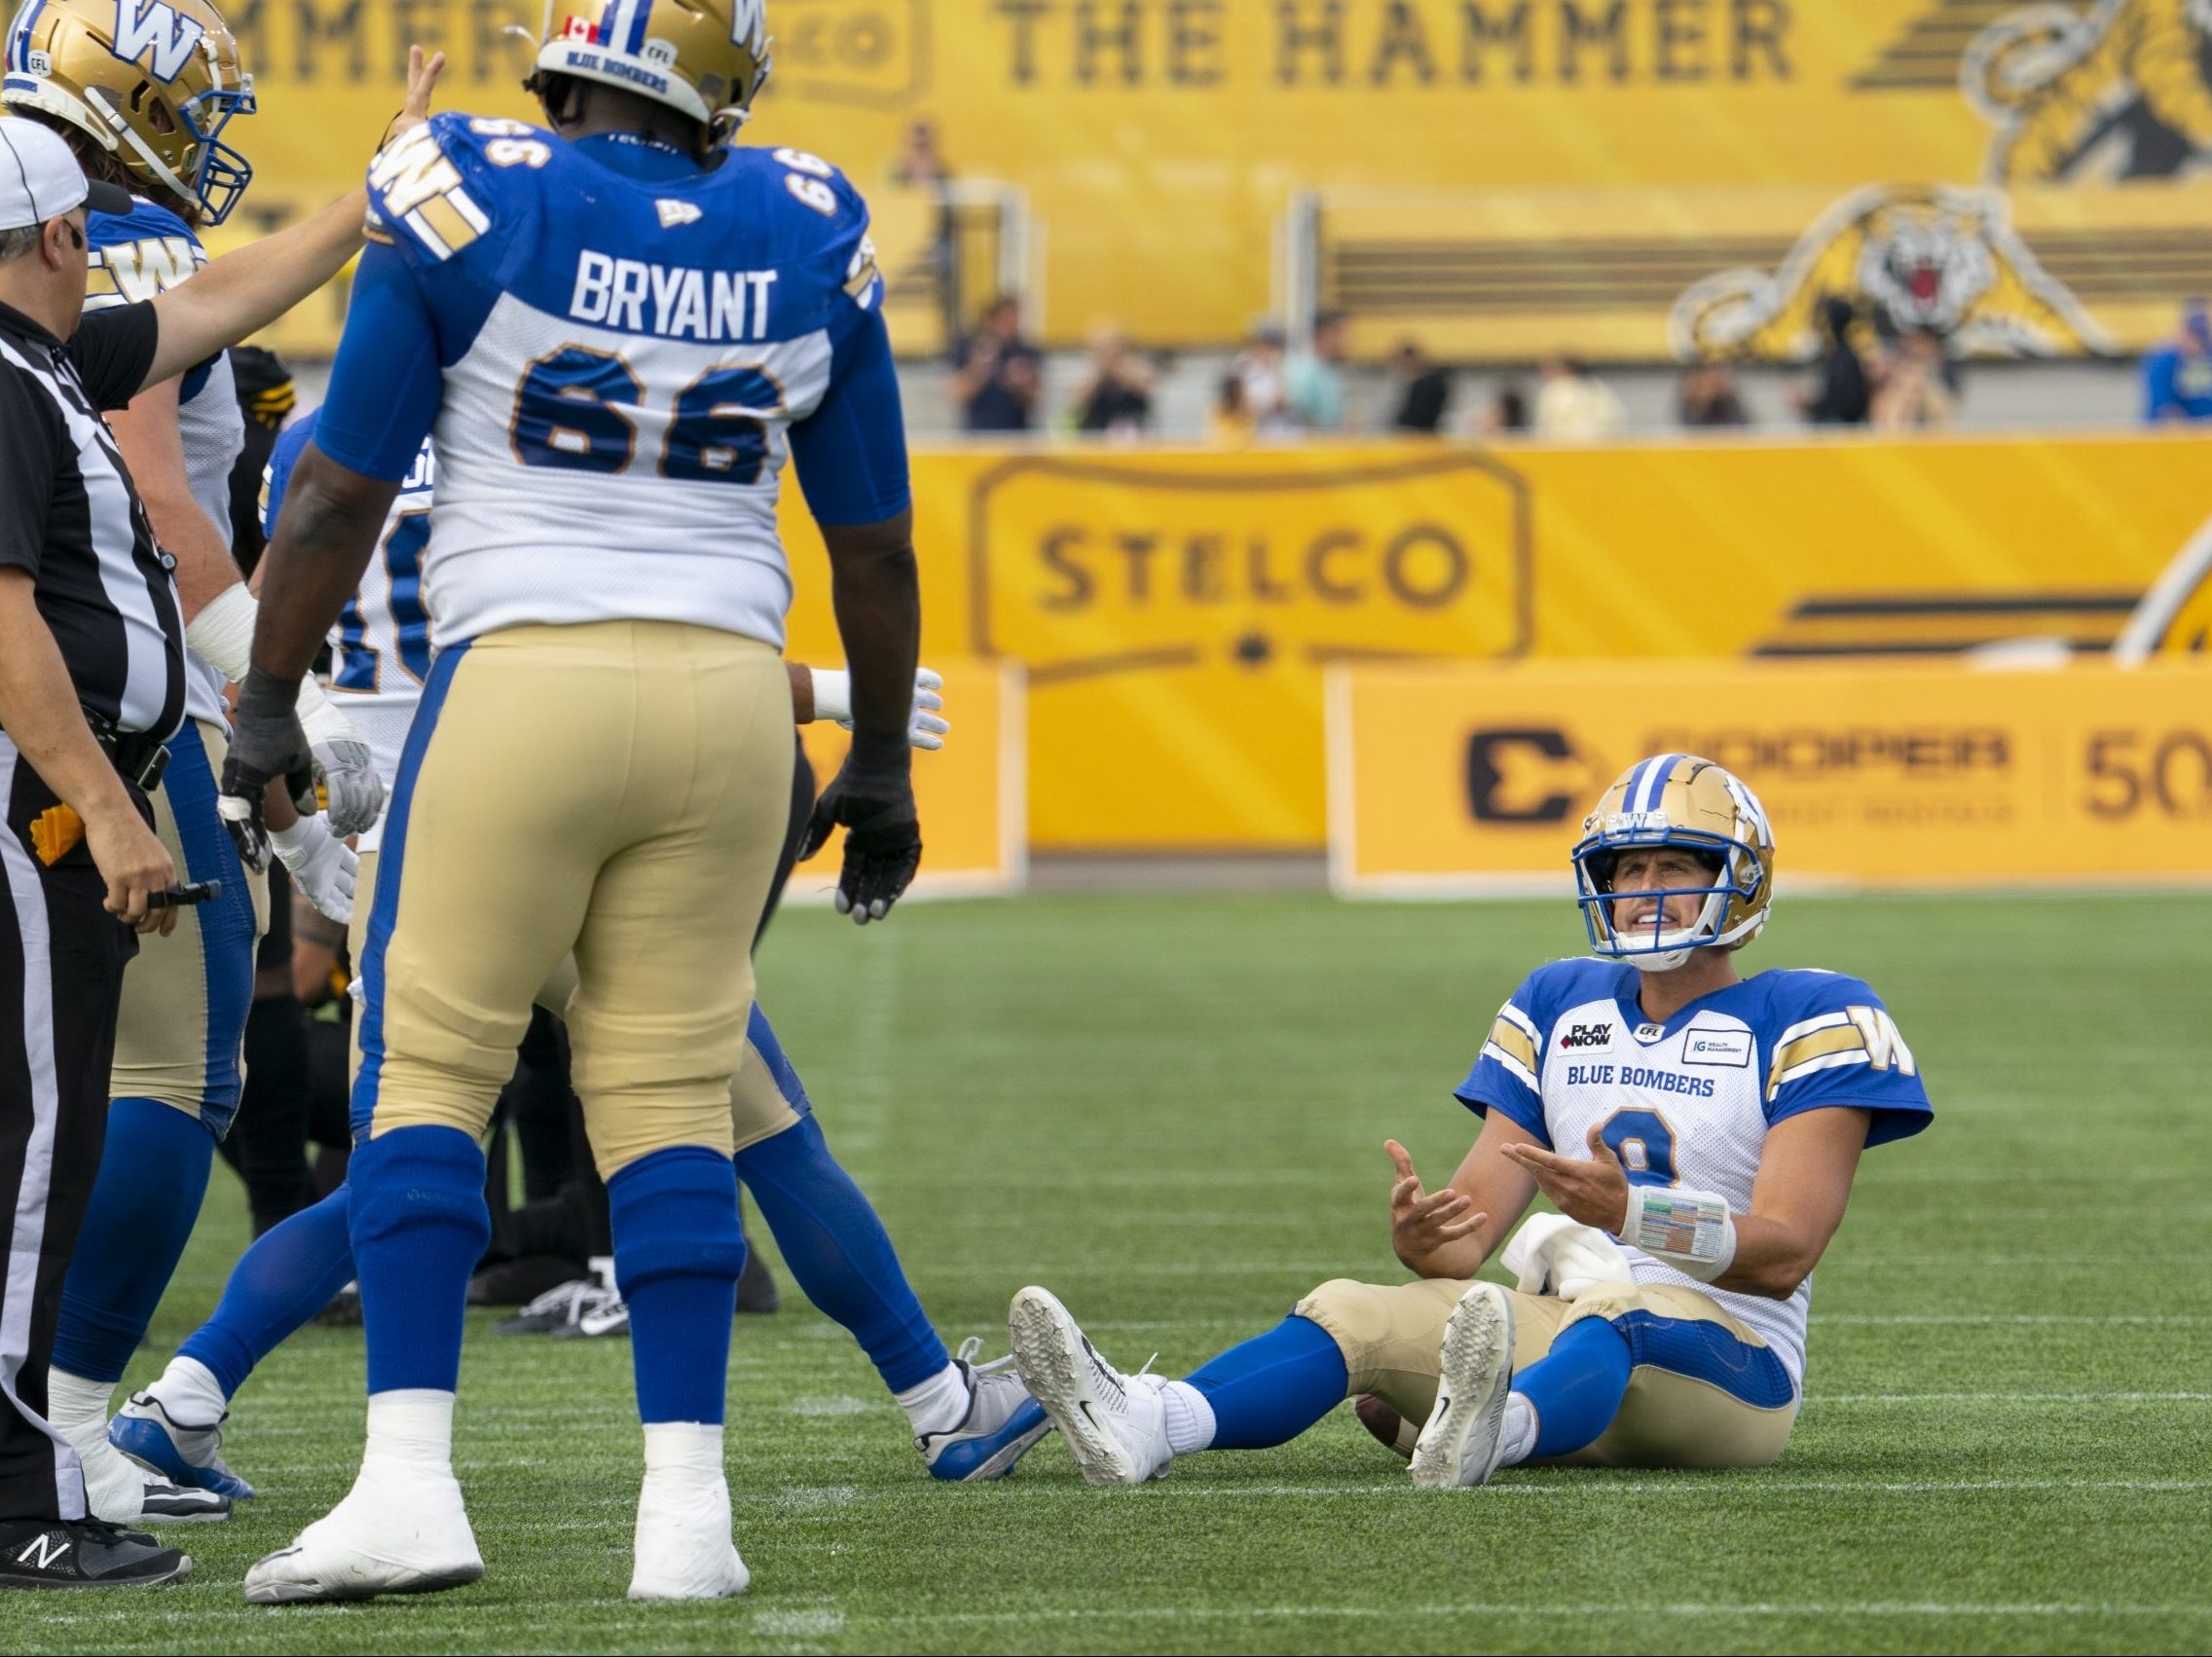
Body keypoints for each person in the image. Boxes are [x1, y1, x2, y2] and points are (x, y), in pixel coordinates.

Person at [217, 0, 948, 1602]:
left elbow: (338, 483)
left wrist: (267, 697)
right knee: (675, 1095)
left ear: (561, 74)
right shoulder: (808, 224)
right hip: (725, 702)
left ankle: (408, 1481)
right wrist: (878, 764)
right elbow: (875, 544)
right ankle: (686, 1513)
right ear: (722, 100)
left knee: (428, 1072)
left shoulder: (473, 187)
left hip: (526, 679)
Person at [117, 422, 1040, 1512]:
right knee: (761, 1124)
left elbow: (251, 656)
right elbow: (618, 659)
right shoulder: (532, 420)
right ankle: (936, 1402)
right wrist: (833, 693)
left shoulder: (329, 439)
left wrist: (310, 839)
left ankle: (185, 1400)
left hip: (396, 848)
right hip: (535, 810)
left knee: (406, 1163)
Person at [1004, 754, 1933, 1491]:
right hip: (1569, 1332)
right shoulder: (1558, 1000)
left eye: (1677, 866)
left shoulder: (1814, 1015)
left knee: (1621, 1316)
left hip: (1730, 1366)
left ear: (1740, 882)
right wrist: (1427, 1235)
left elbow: (1783, 1255)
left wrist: (1631, 1217)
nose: (1646, 888)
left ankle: (1495, 1431)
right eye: (1631, 866)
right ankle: (1152, 1423)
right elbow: (1464, 1249)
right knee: (1353, 1310)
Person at [4, 0, 420, 1528]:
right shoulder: (71, 248)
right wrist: (281, 710)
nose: (204, 138)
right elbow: (164, 521)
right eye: (187, 106)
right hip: (100, 730)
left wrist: (373, 195)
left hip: (124, 714)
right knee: (168, 1079)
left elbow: (206, 321)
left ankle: (64, 1415)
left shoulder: (80, 264)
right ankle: (67, 1420)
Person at [954, 294, 1041, 433]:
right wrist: (979, 368)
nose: (1013, 323)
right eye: (1007, 318)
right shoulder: (972, 348)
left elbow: (1035, 399)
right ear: (993, 319)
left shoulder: (1025, 352)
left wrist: (1021, 383)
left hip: (1017, 434)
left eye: (1015, 317)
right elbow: (960, 393)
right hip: (978, 434)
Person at [1799, 295, 1871, 426]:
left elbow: (1848, 403)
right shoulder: (1839, 354)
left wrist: (1812, 404)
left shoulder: (1845, 357)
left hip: (1840, 430)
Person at [1071, 321, 1152, 437]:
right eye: (1104, 347)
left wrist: (1118, 369)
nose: (1109, 352)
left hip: (1133, 435)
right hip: (1094, 435)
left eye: (1113, 346)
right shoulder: (1089, 372)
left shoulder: (1136, 368)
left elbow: (1146, 386)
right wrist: (1100, 372)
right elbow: (1076, 403)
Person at [2142, 299, 2212, 423]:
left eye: (2202, 335)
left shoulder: (2208, 356)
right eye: (2193, 334)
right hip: (2170, 436)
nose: (2197, 342)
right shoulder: (2163, 360)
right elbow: (2166, 408)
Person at [1872, 330, 1955, 432]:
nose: (1912, 392)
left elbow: (1942, 431)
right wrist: (1901, 410)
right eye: (1908, 387)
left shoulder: (1934, 403)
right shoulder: (1884, 402)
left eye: (1916, 388)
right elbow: (1888, 435)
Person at [1285, 309, 1349, 433]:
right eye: (1344, 333)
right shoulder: (1303, 371)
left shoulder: (1328, 371)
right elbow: (1300, 421)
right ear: (1328, 333)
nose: (1348, 340)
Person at [1534, 356, 1626, 440]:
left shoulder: (1555, 390)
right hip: (1595, 446)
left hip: (1565, 447)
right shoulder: (1596, 387)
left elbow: (1545, 425)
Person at [1388, 340, 1451, 434]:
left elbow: (1418, 419)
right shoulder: (1421, 385)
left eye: (1404, 365)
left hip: (1421, 437)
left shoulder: (1430, 385)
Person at [1677, 362, 1750, 429]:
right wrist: (1702, 403)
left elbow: (1740, 427)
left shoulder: (1729, 400)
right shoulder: (1690, 403)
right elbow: (1692, 429)